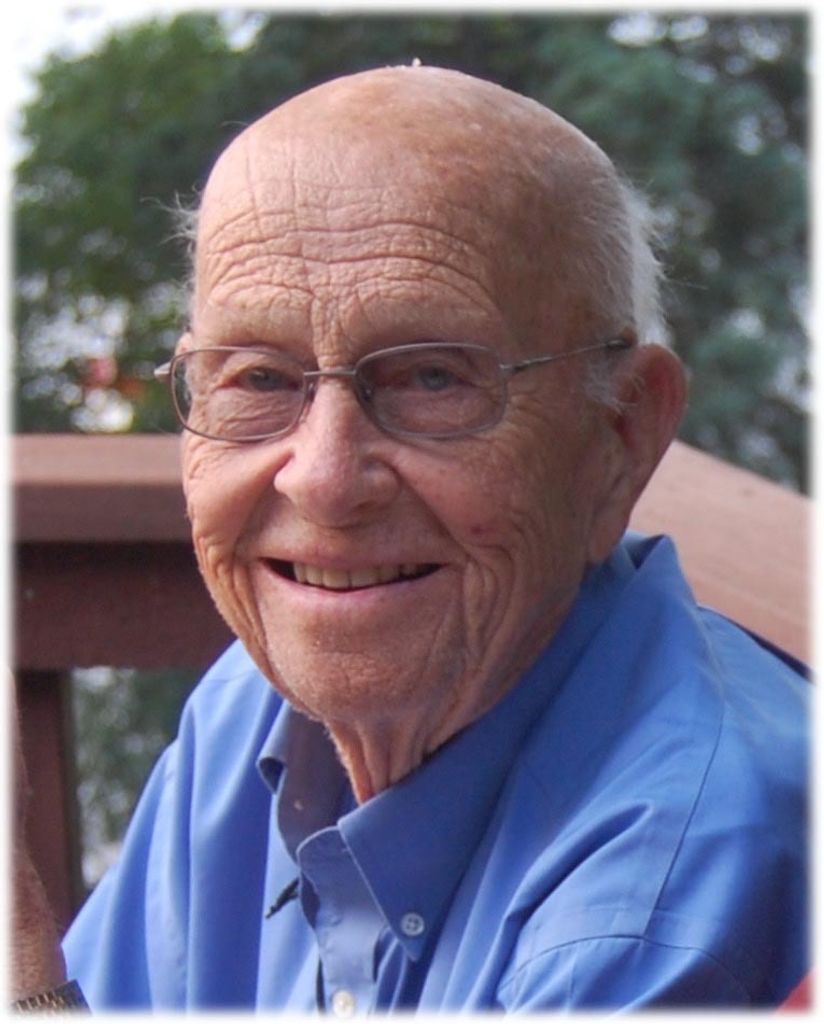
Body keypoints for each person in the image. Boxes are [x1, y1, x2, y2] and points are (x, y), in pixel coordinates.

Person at [13, 65, 808, 1012]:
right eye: (259, 379)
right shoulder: (250, 715)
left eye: (432, 379)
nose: (323, 479)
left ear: (622, 435)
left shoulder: (659, 900)